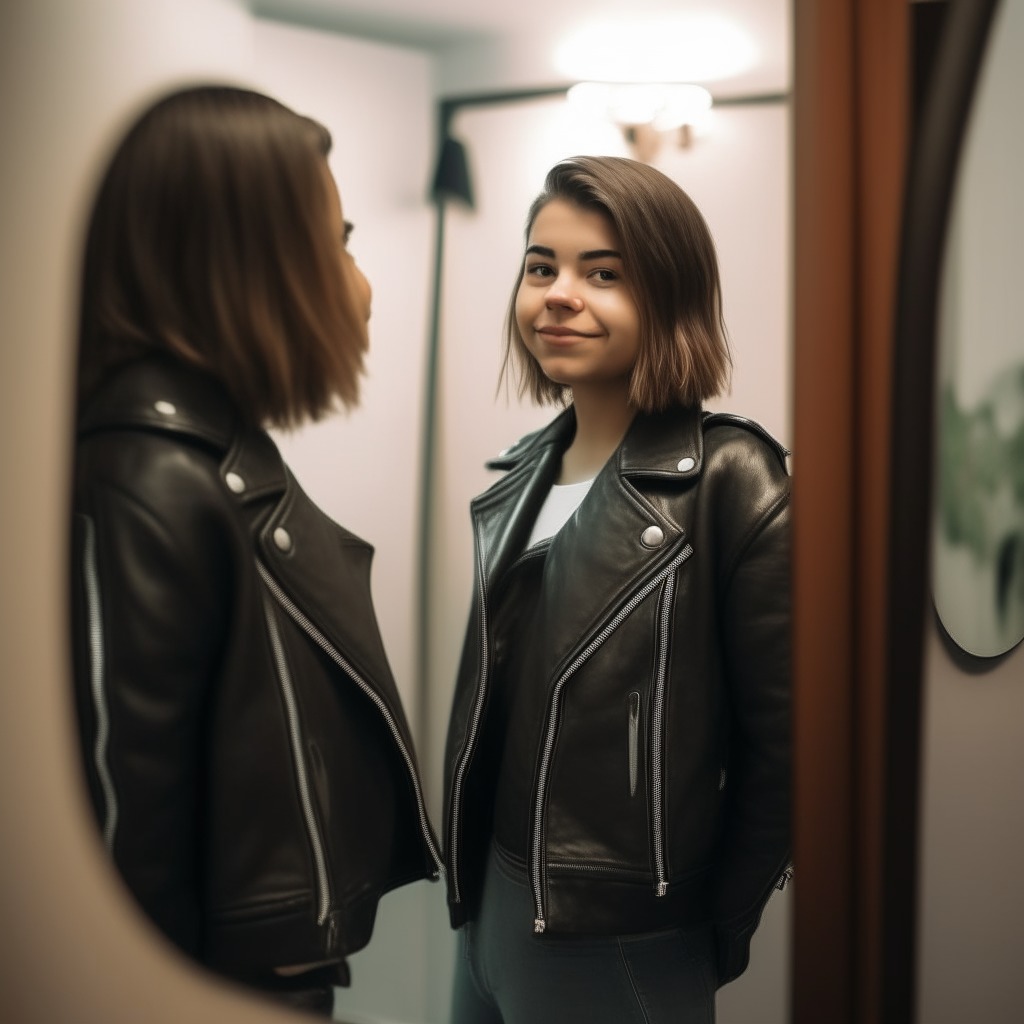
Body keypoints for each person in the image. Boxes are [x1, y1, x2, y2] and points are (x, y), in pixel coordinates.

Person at [69, 86, 441, 1017]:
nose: (360, 281)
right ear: (256, 262)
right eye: (342, 241)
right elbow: (124, 835)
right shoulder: (150, 479)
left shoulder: (211, 457)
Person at [443, 156, 791, 1024]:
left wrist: (704, 931)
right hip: (488, 903)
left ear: (669, 296)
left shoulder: (735, 477)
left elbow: (788, 751)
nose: (559, 294)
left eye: (603, 273)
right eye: (540, 266)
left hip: (621, 936)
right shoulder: (526, 471)